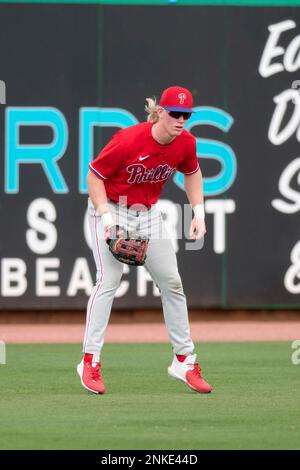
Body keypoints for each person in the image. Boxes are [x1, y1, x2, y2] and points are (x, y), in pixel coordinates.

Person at [77, 86, 212, 394]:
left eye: (186, 115)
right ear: (160, 112)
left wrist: (199, 212)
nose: (181, 120)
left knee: (173, 283)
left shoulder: (185, 143)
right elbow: (94, 177)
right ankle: (89, 361)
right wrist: (107, 221)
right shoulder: (128, 140)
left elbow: (192, 172)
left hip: (147, 214)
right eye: (176, 114)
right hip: (110, 207)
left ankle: (184, 361)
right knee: (107, 281)